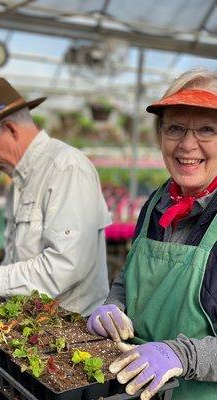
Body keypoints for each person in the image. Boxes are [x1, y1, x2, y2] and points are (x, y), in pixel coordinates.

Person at [87, 69, 217, 399]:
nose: (188, 144)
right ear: (160, 135)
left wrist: (182, 355)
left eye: (207, 129)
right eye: (175, 128)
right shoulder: (158, 203)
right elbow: (128, 279)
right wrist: (113, 307)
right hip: (135, 387)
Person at [0, 77, 111, 317]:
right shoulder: (21, 180)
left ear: (10, 129)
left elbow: (64, 268)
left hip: (72, 331)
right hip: (34, 325)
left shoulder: (66, 168)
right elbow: (16, 259)